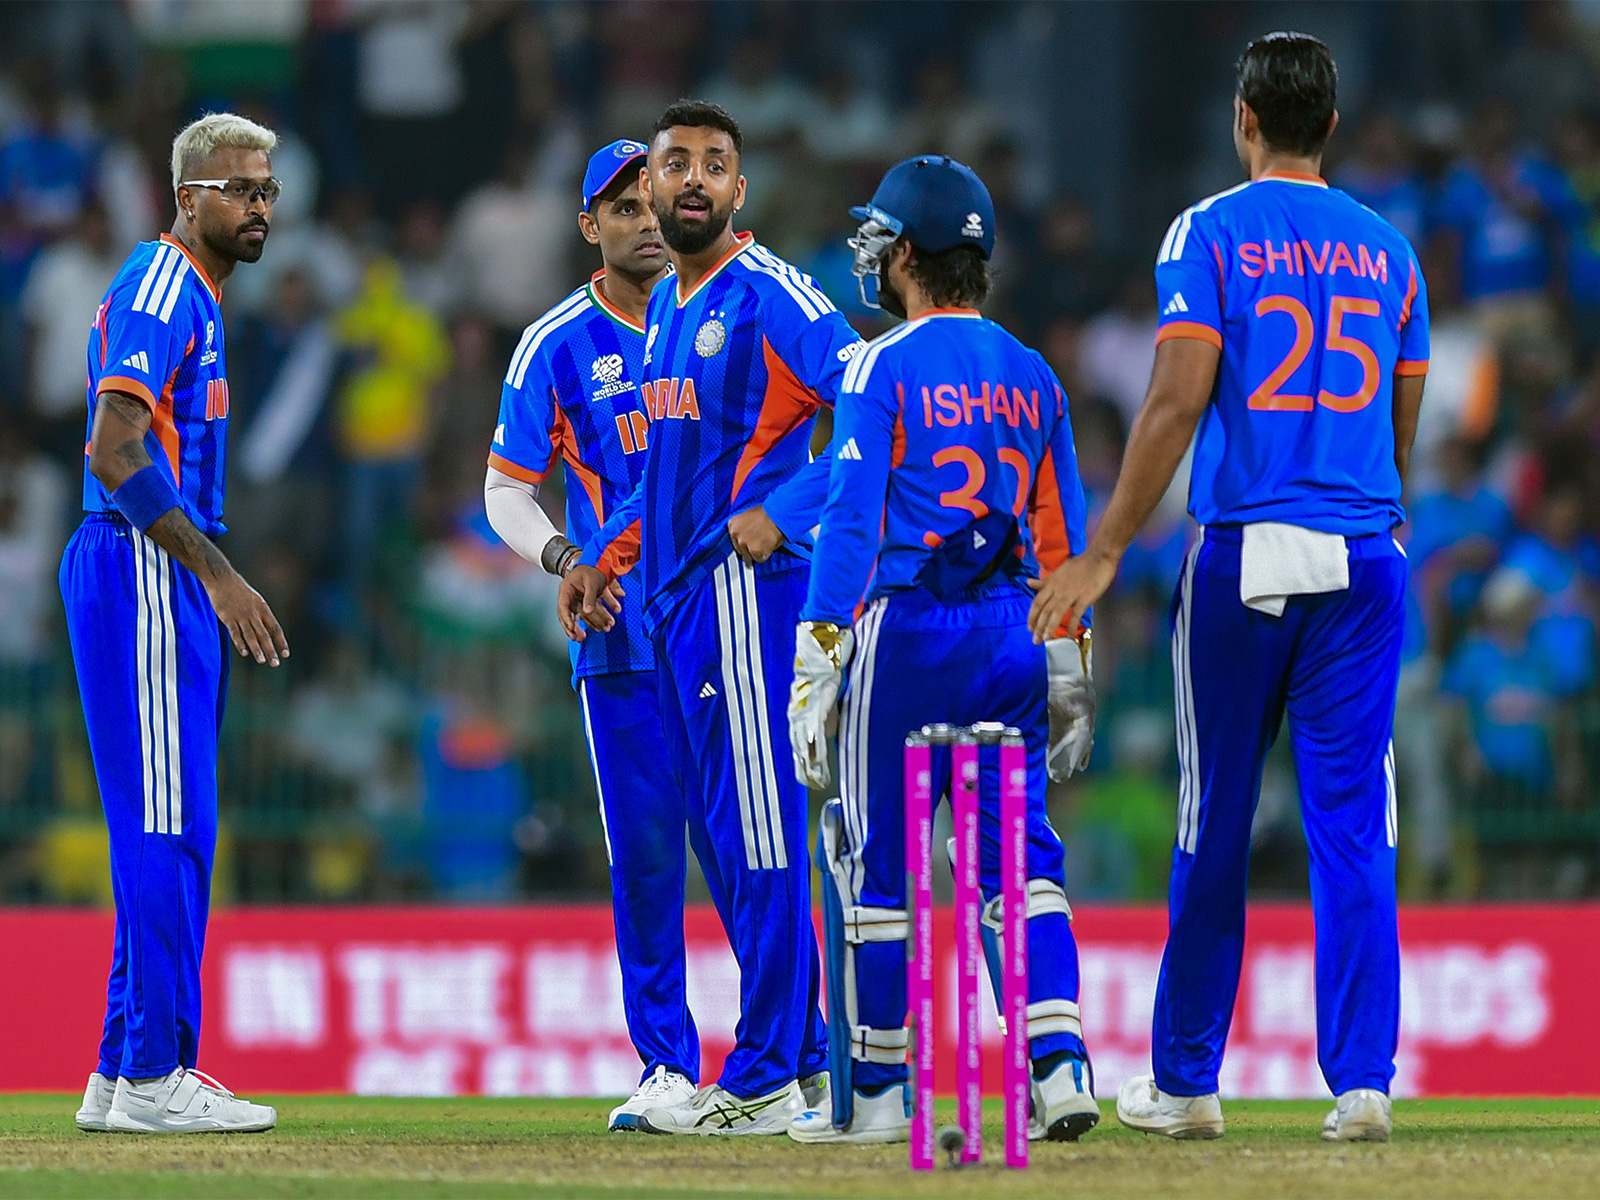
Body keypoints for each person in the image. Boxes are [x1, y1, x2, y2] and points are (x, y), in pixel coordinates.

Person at [1028, 32, 1429, 1144]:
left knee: (1214, 818)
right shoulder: (1392, 249)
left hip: (1249, 552)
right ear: (1329, 128)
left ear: (1243, 118)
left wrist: (1106, 546)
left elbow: (1171, 402)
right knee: (1354, 826)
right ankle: (1360, 1083)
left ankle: (1187, 1080)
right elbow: (1402, 426)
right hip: (1363, 555)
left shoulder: (1206, 231)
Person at [560, 101, 863, 1135]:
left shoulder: (770, 293)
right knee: (736, 840)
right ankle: (806, 1061)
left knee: (763, 832)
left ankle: (768, 1070)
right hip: (675, 604)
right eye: (674, 163)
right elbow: (667, 479)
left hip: (746, 597)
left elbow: (876, 409)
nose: (690, 180)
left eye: (713, 165)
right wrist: (601, 559)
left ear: (740, 190)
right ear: (648, 193)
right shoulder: (674, 317)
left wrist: (787, 509)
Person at [784, 154, 1099, 1145]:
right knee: (1016, 863)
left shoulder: (879, 365)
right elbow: (1062, 530)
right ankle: (1059, 1070)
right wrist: (1071, 660)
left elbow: (847, 523)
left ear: (909, 254)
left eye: (879, 237)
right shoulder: (1033, 370)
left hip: (907, 631)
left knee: (876, 863)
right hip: (1013, 629)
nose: (866, 253)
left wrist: (815, 661)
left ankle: (879, 1095)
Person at [62, 113, 290, 1135]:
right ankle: (159, 1070)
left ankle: (121, 1070)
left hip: (148, 567)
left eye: (268, 190)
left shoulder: (187, 292)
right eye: (240, 189)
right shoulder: (163, 287)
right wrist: (217, 572)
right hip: (148, 563)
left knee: (166, 824)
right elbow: (116, 449)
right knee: (168, 823)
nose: (260, 207)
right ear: (186, 196)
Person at [482, 139, 701, 1131]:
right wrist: (567, 562)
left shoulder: (736, 310)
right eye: (621, 208)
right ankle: (667, 1065)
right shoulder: (558, 343)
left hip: (734, 619)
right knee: (648, 853)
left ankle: (799, 1057)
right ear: (590, 228)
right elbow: (504, 490)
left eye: (651, 199)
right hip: (620, 630)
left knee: (759, 849)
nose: (644, 219)